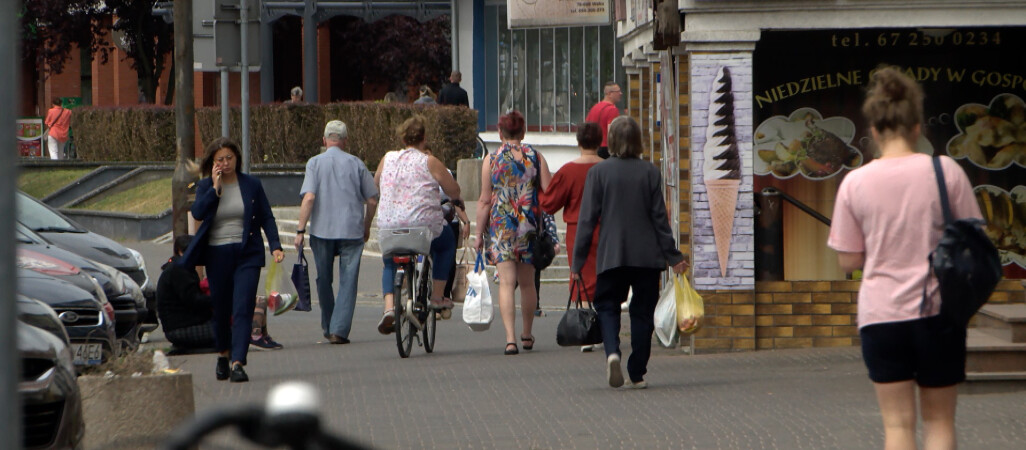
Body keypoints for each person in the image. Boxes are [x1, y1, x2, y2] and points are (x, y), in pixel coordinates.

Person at [827, 67, 980, 449]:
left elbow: (848, 261)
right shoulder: (947, 171)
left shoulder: (855, 182)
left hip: (881, 317)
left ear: (874, 131)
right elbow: (974, 238)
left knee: (896, 426)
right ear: (917, 127)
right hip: (939, 313)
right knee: (940, 421)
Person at [573, 116, 687, 389]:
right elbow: (660, 219)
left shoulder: (598, 173)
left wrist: (577, 261)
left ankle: (612, 352)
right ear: (638, 141)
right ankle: (637, 372)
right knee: (643, 312)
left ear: (610, 141)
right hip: (647, 257)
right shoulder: (650, 172)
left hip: (612, 254)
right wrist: (673, 256)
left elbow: (587, 220)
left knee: (608, 306)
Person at [180, 137, 285, 383]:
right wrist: (216, 189)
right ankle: (222, 354)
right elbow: (197, 213)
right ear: (212, 163)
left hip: (247, 252)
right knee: (222, 309)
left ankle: (238, 361)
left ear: (237, 159)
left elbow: (266, 217)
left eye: (229, 158)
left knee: (242, 307)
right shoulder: (206, 186)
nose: (225, 163)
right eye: (220, 160)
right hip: (217, 254)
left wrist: (275, 246)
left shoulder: (251, 185)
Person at [373, 115, 463, 333]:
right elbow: (454, 190)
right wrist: (455, 200)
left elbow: (375, 183)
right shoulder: (429, 161)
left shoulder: (388, 158)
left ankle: (389, 309)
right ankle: (438, 296)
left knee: (390, 261)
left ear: (403, 138)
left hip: (389, 226)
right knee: (446, 243)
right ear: (424, 138)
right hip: (421, 228)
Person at [294, 120, 379, 344]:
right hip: (352, 230)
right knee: (348, 280)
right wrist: (367, 225)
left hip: (322, 230)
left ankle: (328, 323)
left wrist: (300, 230)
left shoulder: (314, 163)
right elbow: (372, 199)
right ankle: (339, 330)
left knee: (323, 279)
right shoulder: (357, 163)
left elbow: (309, 197)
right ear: (345, 141)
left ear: (324, 140)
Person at [475, 110, 552, 355]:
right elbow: (549, 193)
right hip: (529, 225)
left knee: (507, 283)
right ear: (523, 131)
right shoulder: (536, 157)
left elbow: (485, 200)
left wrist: (478, 234)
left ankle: (510, 340)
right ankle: (527, 334)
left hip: (502, 227)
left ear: (500, 132)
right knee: (528, 284)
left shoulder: (491, 159)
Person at [540, 122, 604, 352]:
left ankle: (587, 329)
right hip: (607, 229)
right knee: (604, 274)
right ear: (600, 141)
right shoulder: (607, 167)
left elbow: (549, 203)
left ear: (578, 142)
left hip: (578, 230)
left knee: (582, 276)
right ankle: (606, 325)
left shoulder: (568, 171)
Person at [157, 235, 215, 350]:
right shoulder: (179, 270)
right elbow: (194, 300)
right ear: (180, 251)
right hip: (181, 328)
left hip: (179, 325)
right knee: (233, 332)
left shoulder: (177, 267)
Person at [585, 82, 623, 159]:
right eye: (618, 91)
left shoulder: (594, 108)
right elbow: (612, 132)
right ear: (610, 94)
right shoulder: (612, 110)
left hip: (593, 147)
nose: (620, 93)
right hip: (606, 149)